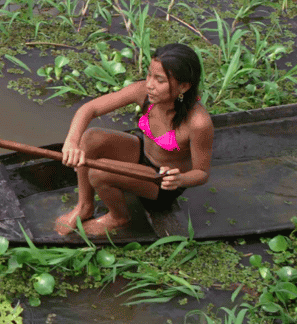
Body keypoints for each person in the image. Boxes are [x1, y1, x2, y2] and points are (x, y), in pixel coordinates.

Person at [54, 43, 214, 236]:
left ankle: (118, 217)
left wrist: (179, 178)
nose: (149, 84)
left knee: (99, 171)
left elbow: (202, 173)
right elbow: (90, 109)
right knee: (90, 137)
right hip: (140, 153)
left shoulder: (198, 123)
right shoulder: (143, 93)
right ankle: (84, 205)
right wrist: (71, 142)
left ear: (184, 86)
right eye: (149, 75)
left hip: (159, 181)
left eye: (159, 80)